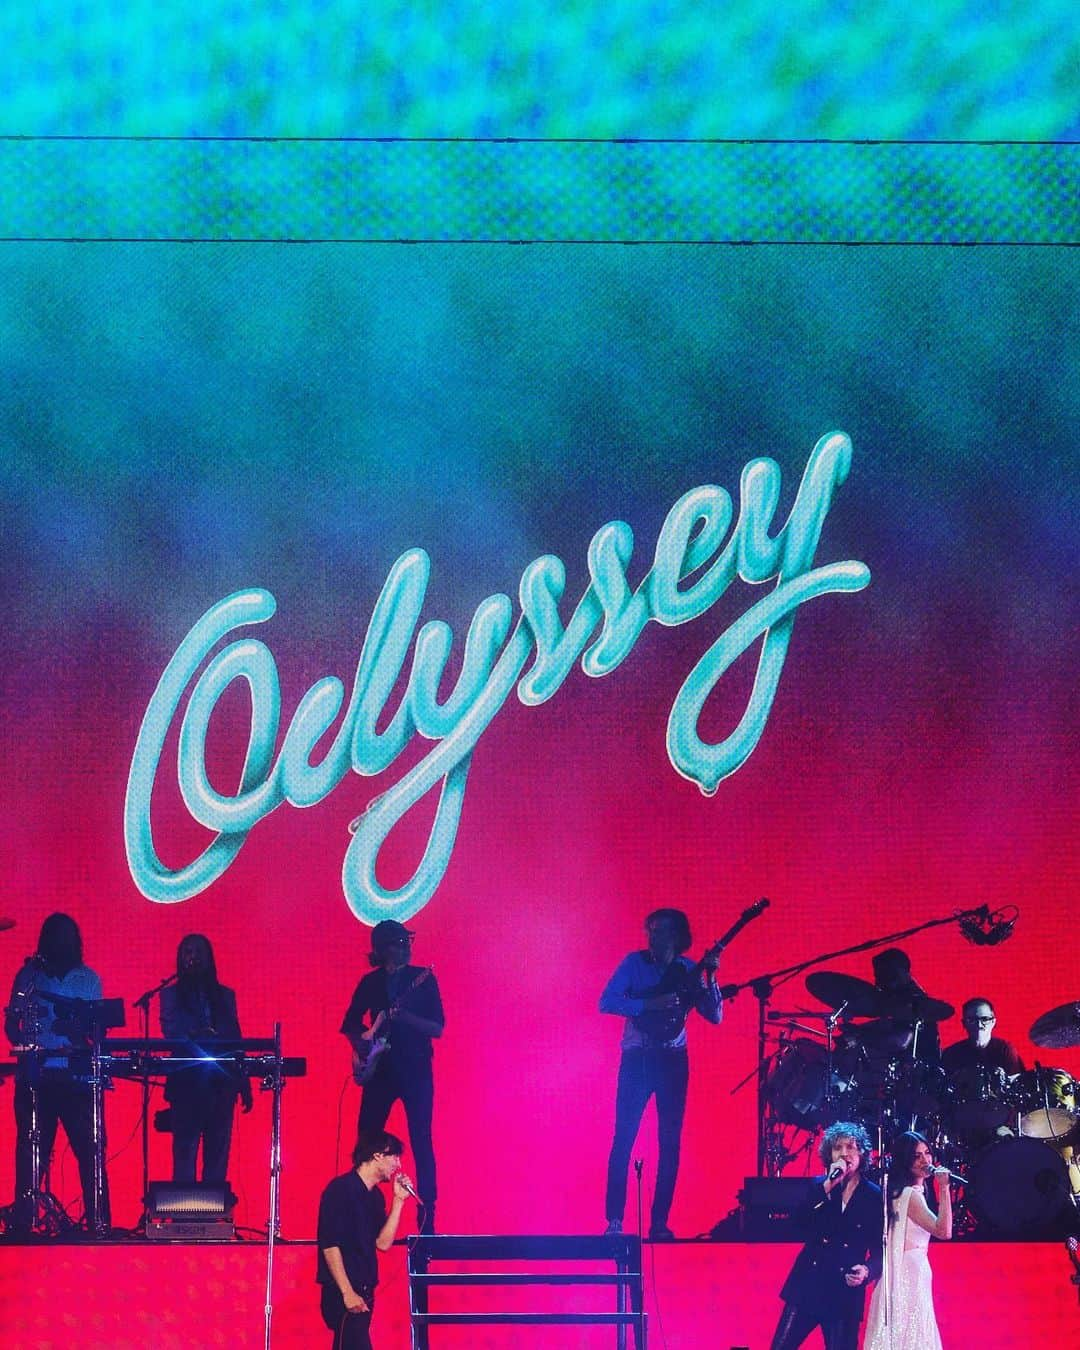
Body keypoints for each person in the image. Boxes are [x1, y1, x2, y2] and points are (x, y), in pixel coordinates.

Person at [600, 907, 722, 1239]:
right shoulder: (633, 964)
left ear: (678, 937)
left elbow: (715, 1016)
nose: (654, 936)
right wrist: (647, 1005)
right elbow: (607, 1001)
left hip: (672, 1061)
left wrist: (710, 977)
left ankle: (659, 1224)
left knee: (669, 1141)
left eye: (663, 931)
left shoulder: (687, 969)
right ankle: (614, 1221)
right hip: (637, 1058)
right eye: (651, 930)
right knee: (623, 1137)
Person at [4, 912, 109, 1232]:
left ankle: (98, 1222)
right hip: (37, 1077)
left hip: (75, 1079)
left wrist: (77, 1033)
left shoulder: (88, 978)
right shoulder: (29, 976)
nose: (60, 941)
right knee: (31, 1151)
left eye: (66, 935)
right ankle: (24, 1222)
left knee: (90, 1152)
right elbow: (11, 1024)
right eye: (55, 935)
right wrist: (26, 1041)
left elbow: (99, 1032)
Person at [341, 920, 444, 1232]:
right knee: (367, 1137)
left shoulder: (423, 979)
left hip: (415, 1070)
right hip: (381, 1071)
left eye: (407, 941)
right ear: (385, 948)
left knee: (421, 1139)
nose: (407, 946)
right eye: (400, 942)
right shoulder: (370, 983)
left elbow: (437, 1028)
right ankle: (360, 1207)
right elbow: (349, 1023)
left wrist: (407, 1018)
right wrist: (366, 1044)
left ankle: (428, 1216)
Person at [770, 1121, 883, 1350]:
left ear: (861, 1153)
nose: (844, 1154)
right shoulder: (819, 1187)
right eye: (837, 1148)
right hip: (808, 1286)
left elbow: (881, 1251)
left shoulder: (873, 1195)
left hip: (844, 1293)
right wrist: (828, 1186)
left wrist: (867, 1271)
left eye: (850, 1147)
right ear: (829, 1154)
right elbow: (798, 1225)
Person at [158, 933, 253, 1183]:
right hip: (186, 1084)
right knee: (185, 1155)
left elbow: (235, 1039)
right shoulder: (170, 995)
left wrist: (244, 1083)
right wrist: (201, 1034)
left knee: (217, 1156)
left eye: (199, 952)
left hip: (222, 1085)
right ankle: (184, 1219)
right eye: (188, 952)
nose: (194, 957)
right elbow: (172, 1033)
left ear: (210, 958)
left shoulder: (224, 995)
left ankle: (211, 1218)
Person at [316, 1129, 414, 1350]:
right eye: (394, 1157)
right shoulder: (340, 1190)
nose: (397, 1164)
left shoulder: (375, 1196)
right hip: (343, 1292)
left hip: (365, 1290)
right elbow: (330, 1245)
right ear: (378, 1155)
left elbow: (383, 1243)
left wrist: (398, 1201)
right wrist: (347, 1292)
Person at [864, 1130, 952, 1350]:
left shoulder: (903, 1193)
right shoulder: (910, 1196)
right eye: (917, 1156)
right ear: (905, 1161)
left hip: (911, 1272)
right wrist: (944, 1187)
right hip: (909, 1276)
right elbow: (944, 1231)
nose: (925, 1160)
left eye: (927, 1153)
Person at [941, 996, 1024, 1076]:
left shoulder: (1005, 1050)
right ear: (964, 1023)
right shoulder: (952, 1053)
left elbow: (1016, 1083)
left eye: (984, 1019)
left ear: (993, 1022)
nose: (979, 1024)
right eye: (972, 1020)